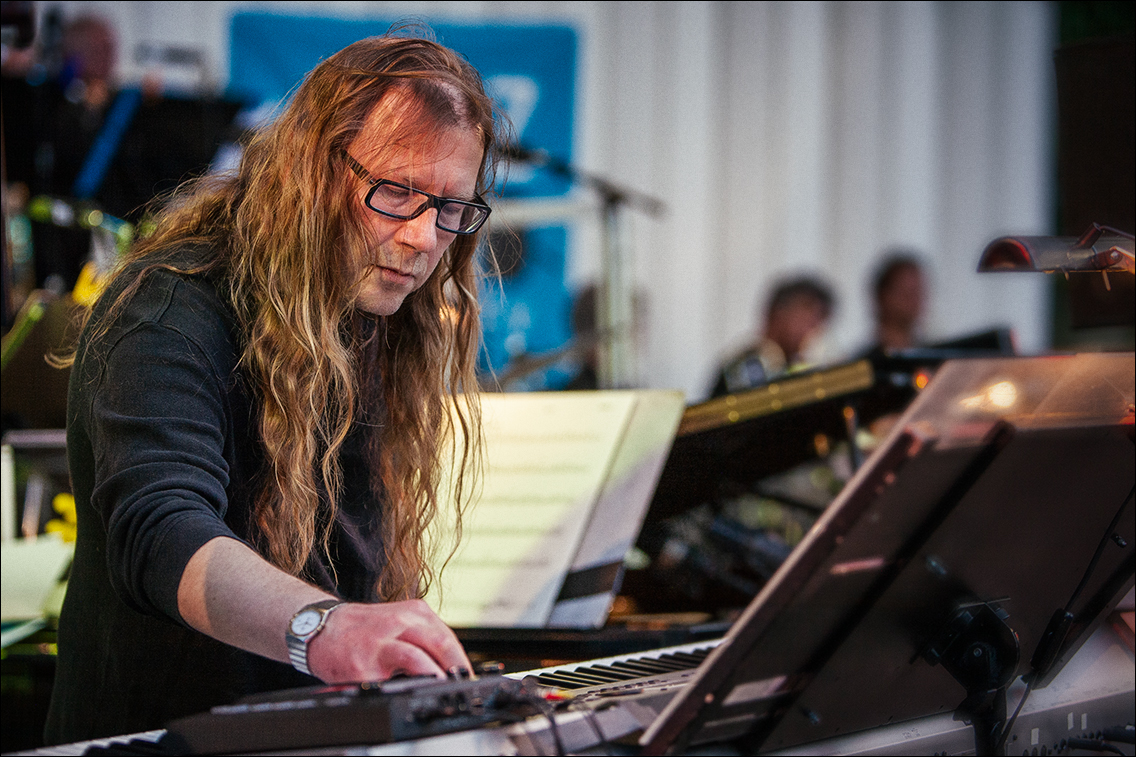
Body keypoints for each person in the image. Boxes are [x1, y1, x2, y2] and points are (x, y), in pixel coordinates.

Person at [44, 30, 504, 744]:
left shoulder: (377, 316)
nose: (423, 237)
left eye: (451, 208)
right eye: (395, 193)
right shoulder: (168, 306)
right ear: (312, 170)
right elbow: (163, 529)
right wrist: (326, 627)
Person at [709, 276, 835, 398]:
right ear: (778, 313)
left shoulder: (791, 364)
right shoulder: (750, 365)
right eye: (809, 318)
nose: (815, 330)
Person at [865, 251, 926, 355]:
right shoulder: (863, 363)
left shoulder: (933, 361)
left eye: (919, 293)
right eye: (906, 293)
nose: (915, 301)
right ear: (883, 296)